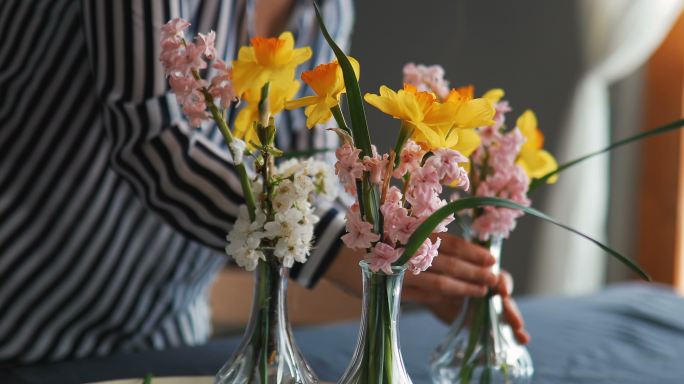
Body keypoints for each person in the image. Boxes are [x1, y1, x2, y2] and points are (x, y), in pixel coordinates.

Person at [0, 0, 527, 365]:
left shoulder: (326, 8)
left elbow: (313, 171)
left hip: (166, 331)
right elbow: (150, 135)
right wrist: (342, 253)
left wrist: (405, 264)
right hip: (25, 317)